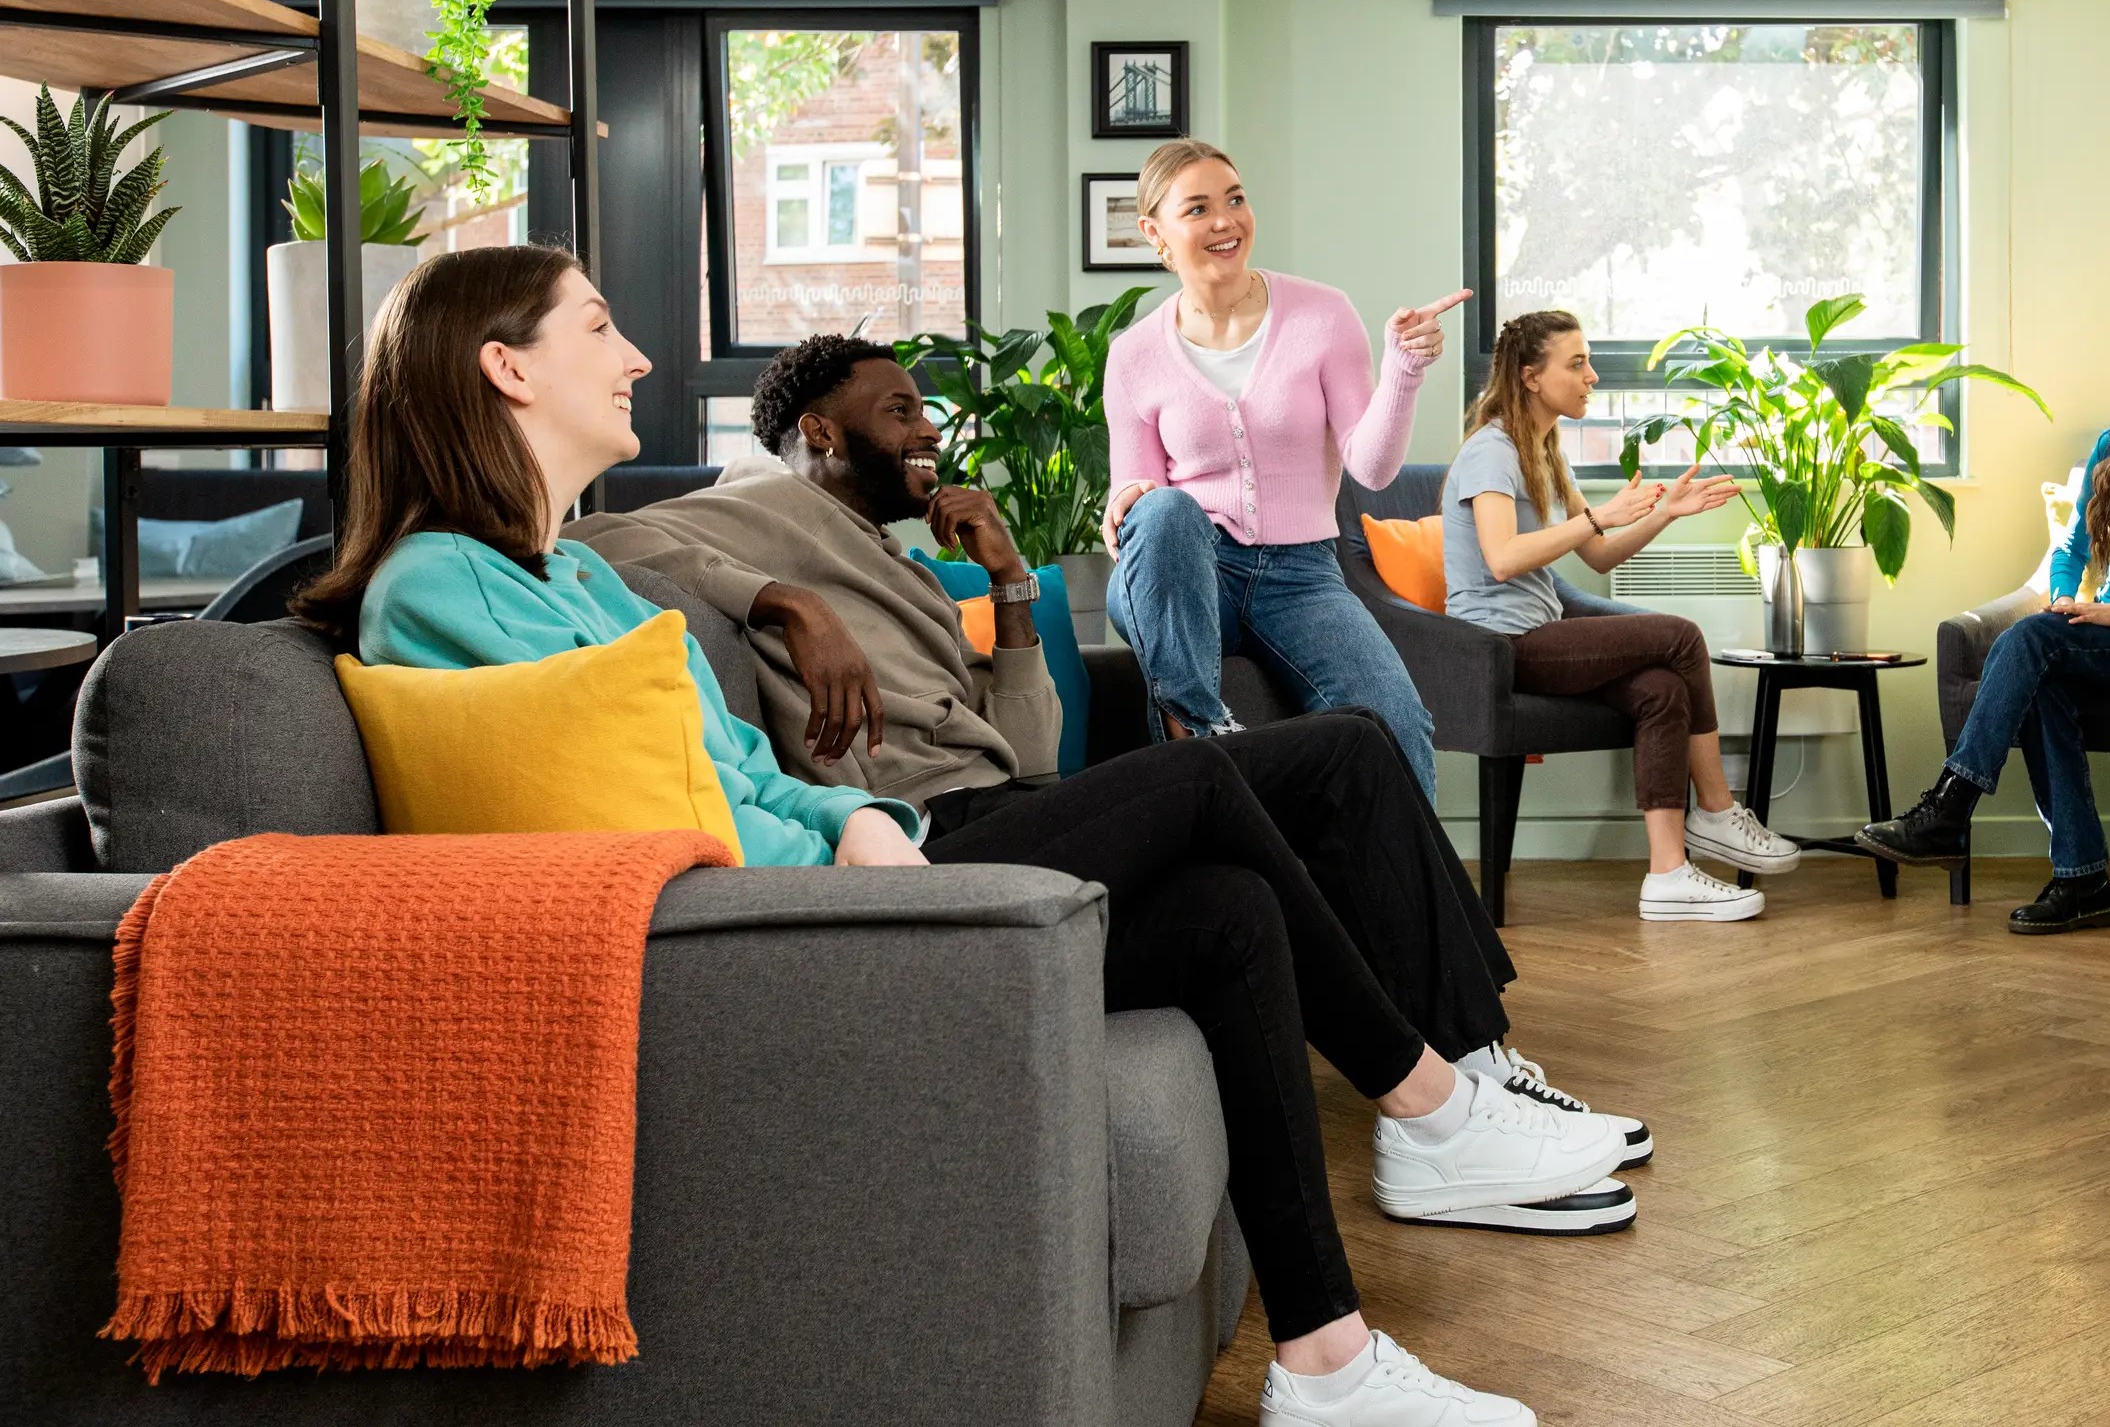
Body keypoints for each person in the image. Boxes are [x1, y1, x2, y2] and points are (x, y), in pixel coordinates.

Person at [297, 245, 1615, 1427]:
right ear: (504, 369)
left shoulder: (574, 576)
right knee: (1234, 782)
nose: (638, 355)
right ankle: (1437, 1105)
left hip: (861, 867)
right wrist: (810, 701)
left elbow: (748, 769)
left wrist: (859, 809)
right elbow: (628, 827)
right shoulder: (438, 587)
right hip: (769, 937)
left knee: (1230, 912)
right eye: (597, 328)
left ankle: (1325, 1364)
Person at [567, 331, 1651, 1189]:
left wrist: (1003, 580)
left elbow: (1026, 743)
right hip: (924, 836)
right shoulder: (763, 508)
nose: (925, 426)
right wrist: (783, 600)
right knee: (1324, 754)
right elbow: (602, 540)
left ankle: (1468, 1072)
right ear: (818, 429)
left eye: (922, 407)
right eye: (897, 408)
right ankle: (1460, 1081)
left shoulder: (896, 556)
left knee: (1343, 762)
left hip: (1005, 798)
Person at [1855, 311, 2110, 933]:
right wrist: (2061, 598)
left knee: (2028, 644)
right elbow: (2072, 550)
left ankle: (1950, 810)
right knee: (2041, 677)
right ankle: (2084, 882)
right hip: (2102, 636)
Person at [1102, 137, 1458, 793]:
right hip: (1186, 567)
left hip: (1300, 575)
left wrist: (1405, 370)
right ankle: (1203, 732)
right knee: (1165, 509)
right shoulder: (1132, 355)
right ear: (1155, 232)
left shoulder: (1322, 315)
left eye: (1235, 200)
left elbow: (1372, 470)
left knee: (1399, 722)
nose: (1225, 221)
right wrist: (1128, 499)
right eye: (1199, 208)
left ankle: (1404, 895)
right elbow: (1134, 496)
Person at [1445, 311, 1801, 923]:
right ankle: (1716, 810)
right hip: (1499, 643)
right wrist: (1598, 517)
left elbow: (1599, 551)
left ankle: (1668, 875)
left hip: (1539, 633)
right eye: (1576, 363)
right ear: (1531, 376)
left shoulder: (1546, 451)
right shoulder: (1491, 452)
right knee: (1681, 637)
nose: (1592, 376)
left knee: (1662, 689)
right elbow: (1502, 559)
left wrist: (1664, 514)